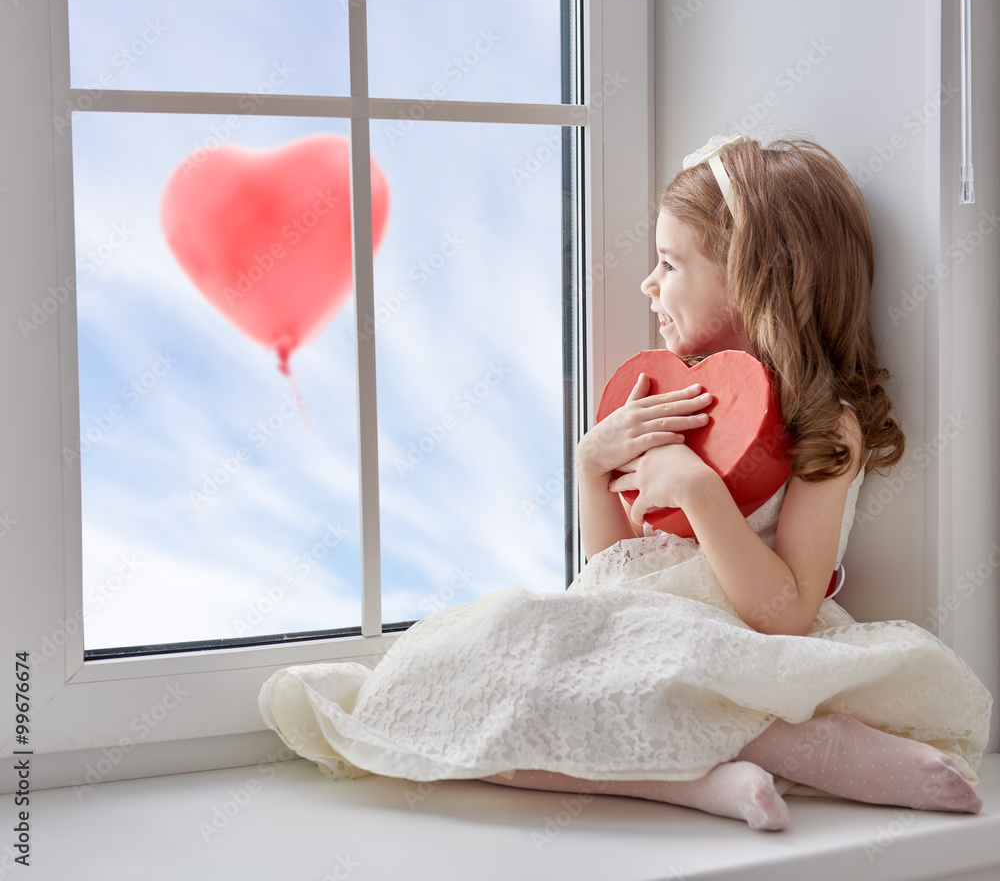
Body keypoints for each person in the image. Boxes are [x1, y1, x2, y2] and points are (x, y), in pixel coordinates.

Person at [259, 135, 992, 832]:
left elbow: (784, 614)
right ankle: (699, 779)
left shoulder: (825, 426)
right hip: (633, 628)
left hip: (735, 646)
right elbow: (613, 576)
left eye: (670, 263)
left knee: (589, 693)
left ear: (751, 276)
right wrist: (592, 465)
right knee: (474, 687)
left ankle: (800, 745)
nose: (649, 282)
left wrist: (700, 491)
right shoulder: (665, 396)